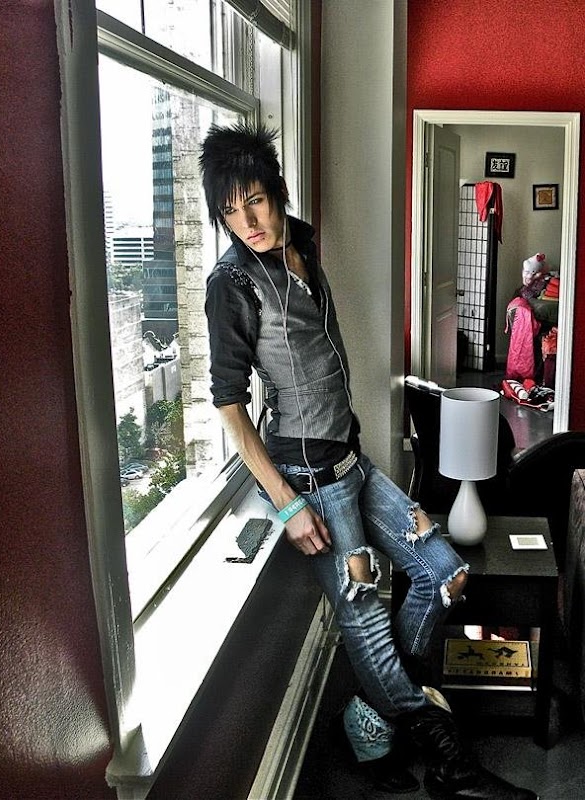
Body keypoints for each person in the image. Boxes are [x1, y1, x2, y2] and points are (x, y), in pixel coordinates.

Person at [200, 122, 538, 800]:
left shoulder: (302, 245)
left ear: (276, 193)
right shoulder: (230, 282)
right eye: (230, 211)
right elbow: (230, 406)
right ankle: (450, 763)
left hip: (350, 459)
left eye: (255, 201)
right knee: (364, 618)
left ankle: (368, 712)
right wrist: (287, 506)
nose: (247, 222)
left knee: (444, 573)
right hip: (307, 480)